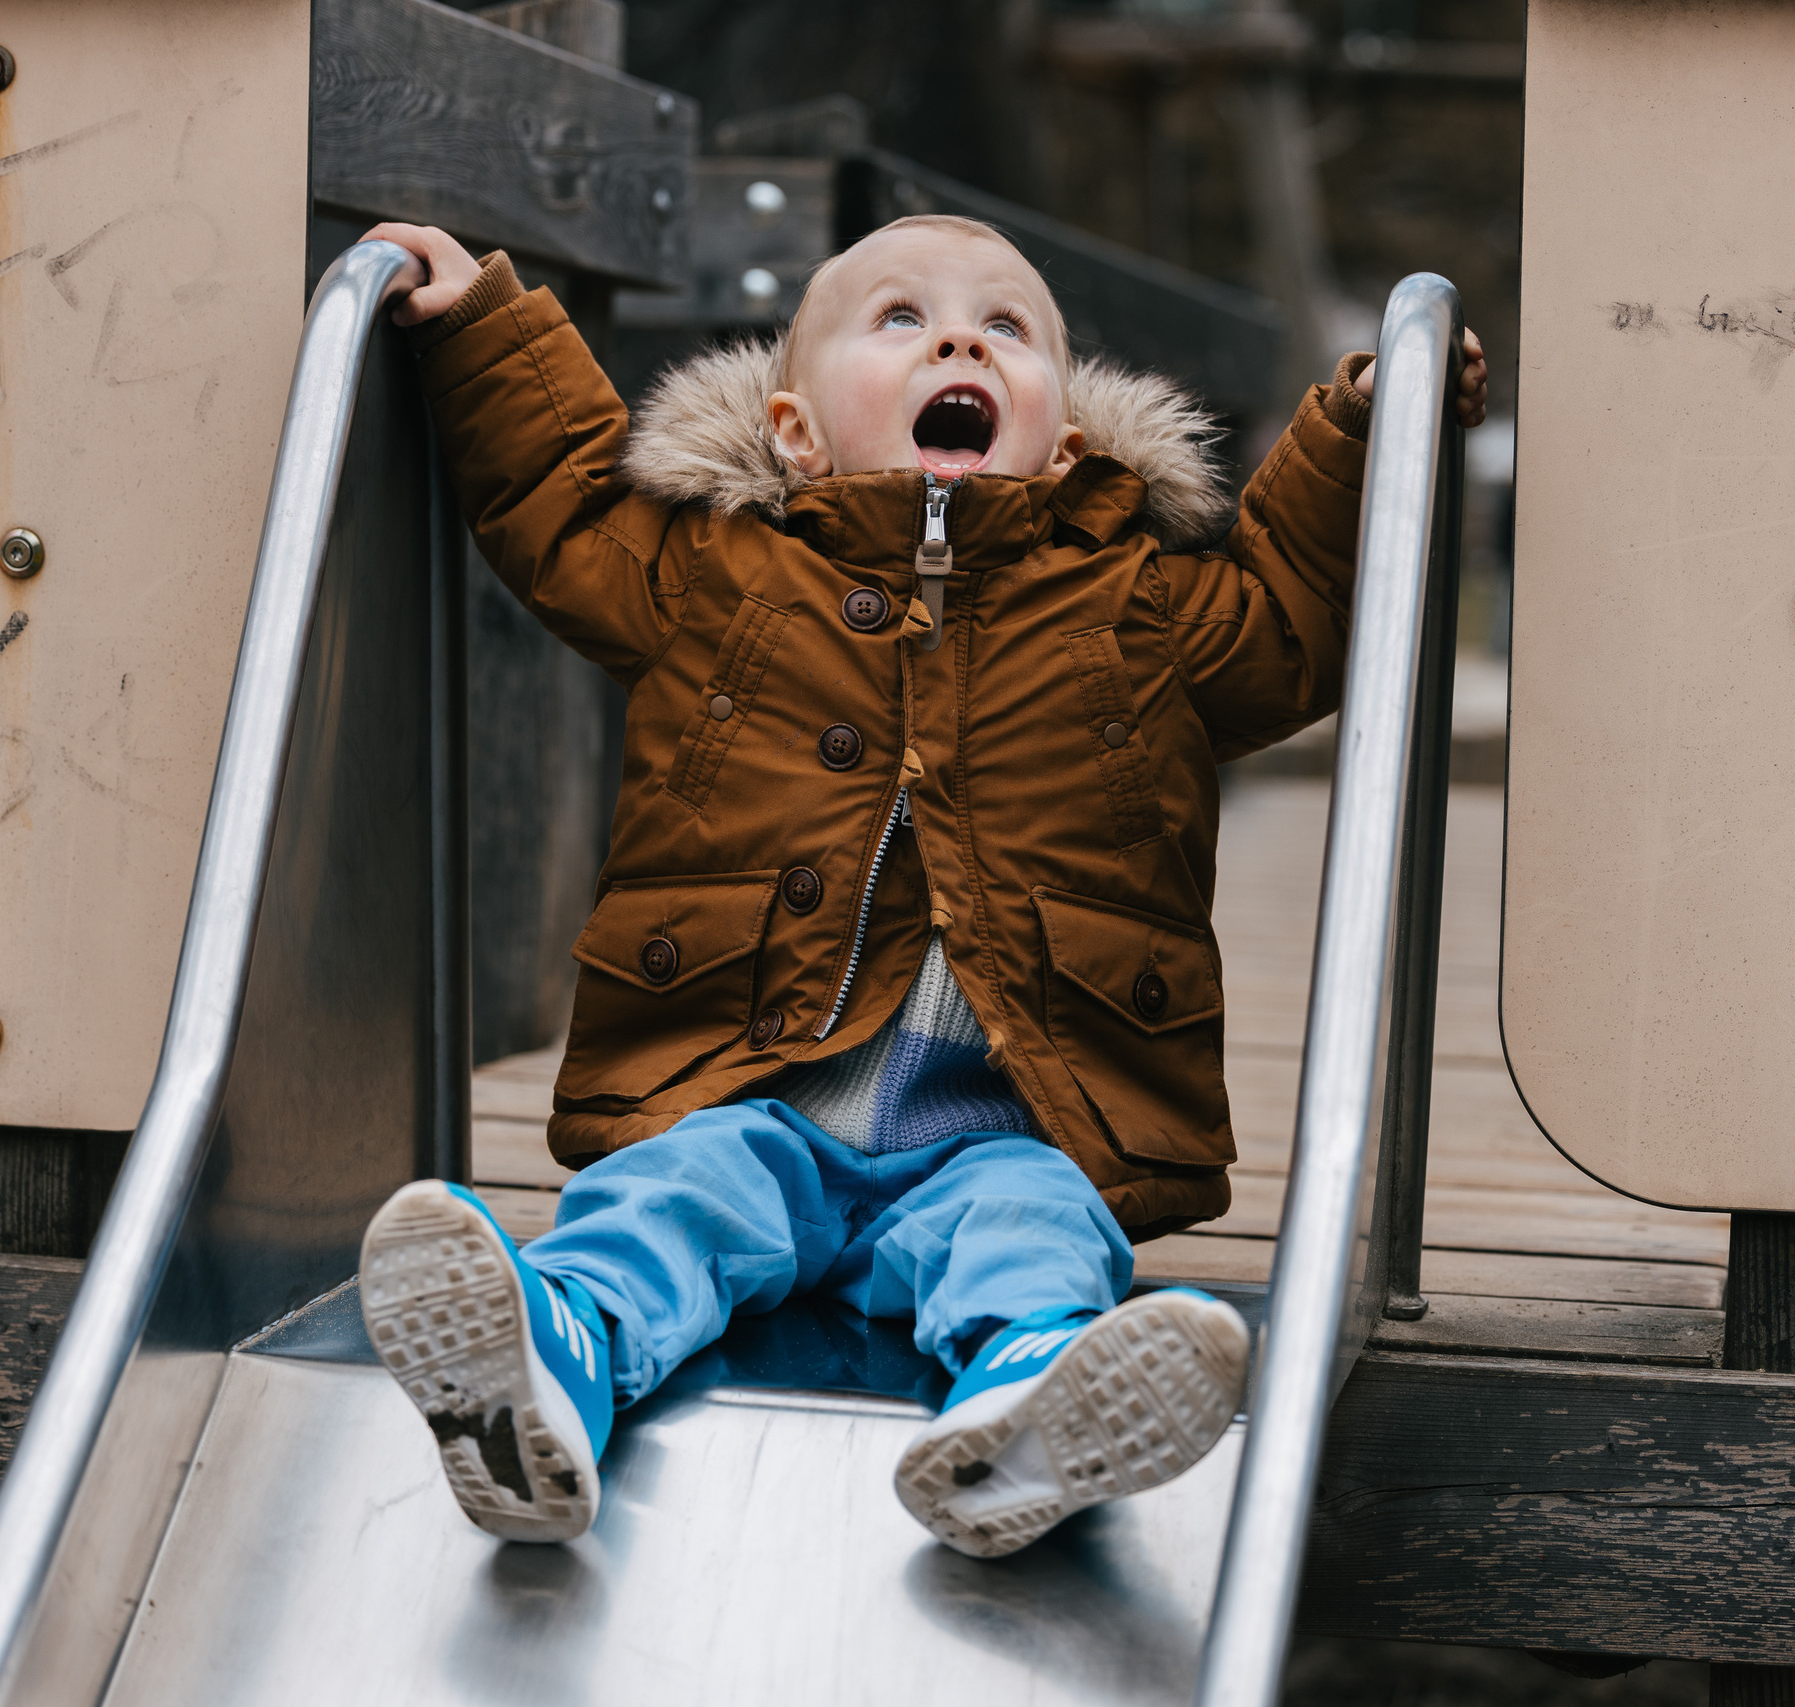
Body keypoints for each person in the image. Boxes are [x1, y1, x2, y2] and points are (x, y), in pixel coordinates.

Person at [354, 213, 1488, 1559]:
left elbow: (1297, 605)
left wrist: (1377, 429)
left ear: (1065, 441)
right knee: (666, 1203)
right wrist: (480, 319)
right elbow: (566, 497)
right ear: (792, 431)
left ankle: (1028, 1408)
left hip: (1004, 1125)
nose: (960, 337)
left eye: (1006, 327)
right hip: (748, 1093)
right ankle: (545, 1367)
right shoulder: (712, 574)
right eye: (900, 319)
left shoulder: (1143, 609)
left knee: (1033, 1231)